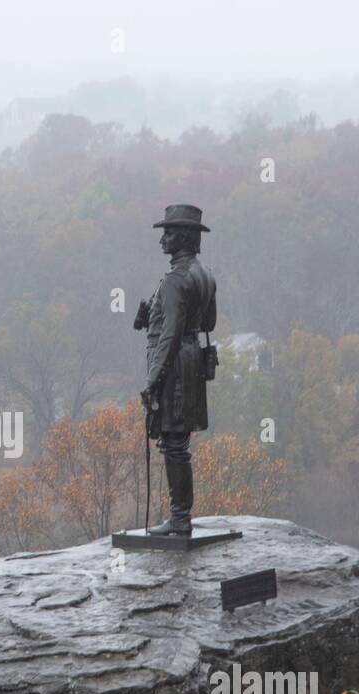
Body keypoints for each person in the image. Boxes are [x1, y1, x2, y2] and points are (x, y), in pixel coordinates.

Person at [136, 204, 217, 536]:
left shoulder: (174, 279)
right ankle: (181, 515)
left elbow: (168, 335)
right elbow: (209, 322)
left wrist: (153, 380)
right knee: (178, 442)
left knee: (172, 444)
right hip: (192, 360)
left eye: (167, 233)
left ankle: (180, 518)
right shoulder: (205, 275)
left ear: (183, 237)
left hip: (173, 366)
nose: (162, 241)